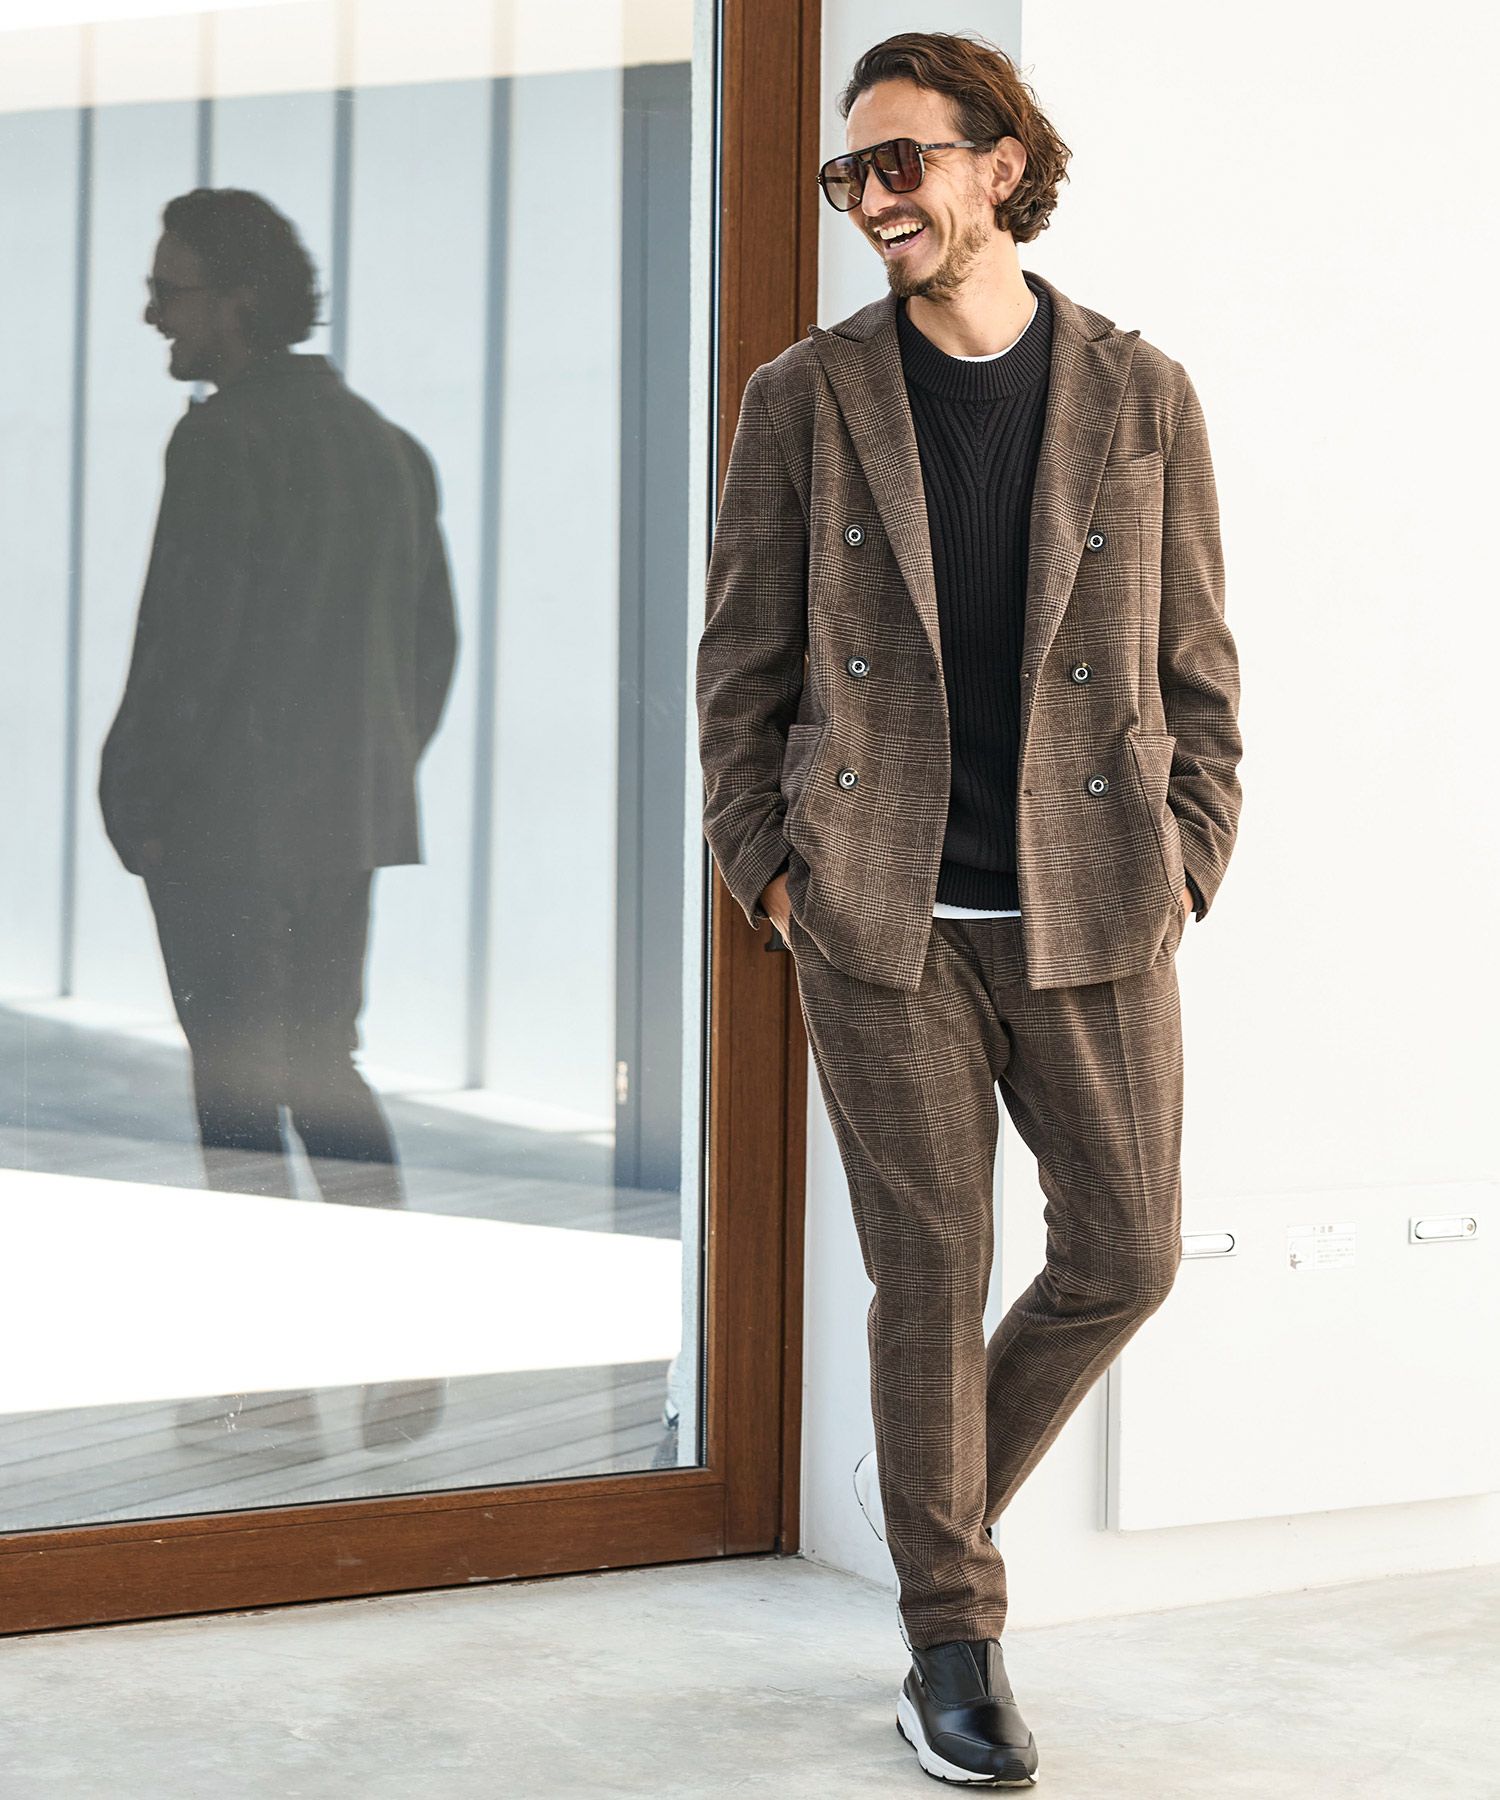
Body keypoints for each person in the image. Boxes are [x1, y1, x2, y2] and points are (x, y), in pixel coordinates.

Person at [696, 32, 1242, 1788]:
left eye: (903, 161)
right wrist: (769, 867)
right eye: (850, 172)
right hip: (880, 915)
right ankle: (952, 1640)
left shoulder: (1141, 393)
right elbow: (741, 663)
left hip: (1095, 905)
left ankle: (930, 1500)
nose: (872, 198)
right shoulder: (806, 396)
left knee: (1125, 1255)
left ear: (1002, 164)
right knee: (930, 1275)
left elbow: (1199, 666)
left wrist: (1189, 857)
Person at [99, 187, 458, 1213]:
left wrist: (135, 803)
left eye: (169, 290)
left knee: (238, 1088)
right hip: (344, 825)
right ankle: (380, 1280)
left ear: (241, 299)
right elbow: (433, 649)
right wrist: (368, 769)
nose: (152, 314)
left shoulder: (222, 440)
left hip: (223, 832)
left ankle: (263, 1300)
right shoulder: (388, 447)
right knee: (323, 1063)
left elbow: (185, 649)